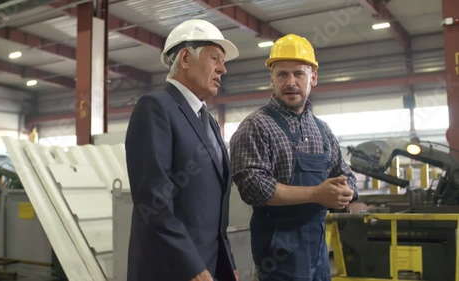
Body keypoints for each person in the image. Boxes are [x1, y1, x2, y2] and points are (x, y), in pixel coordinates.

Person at [230, 34, 358, 281]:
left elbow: (345, 174)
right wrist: (316, 194)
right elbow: (254, 188)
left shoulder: (322, 130)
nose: (291, 82)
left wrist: (346, 192)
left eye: (299, 73)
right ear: (272, 79)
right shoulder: (256, 126)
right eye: (282, 74)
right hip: (277, 255)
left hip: (319, 253)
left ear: (313, 78)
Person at [125, 19, 240, 281]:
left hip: (208, 266)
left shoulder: (208, 120)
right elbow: (154, 202)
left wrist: (226, 262)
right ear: (186, 58)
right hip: (171, 270)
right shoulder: (155, 108)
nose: (222, 69)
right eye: (215, 58)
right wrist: (191, 267)